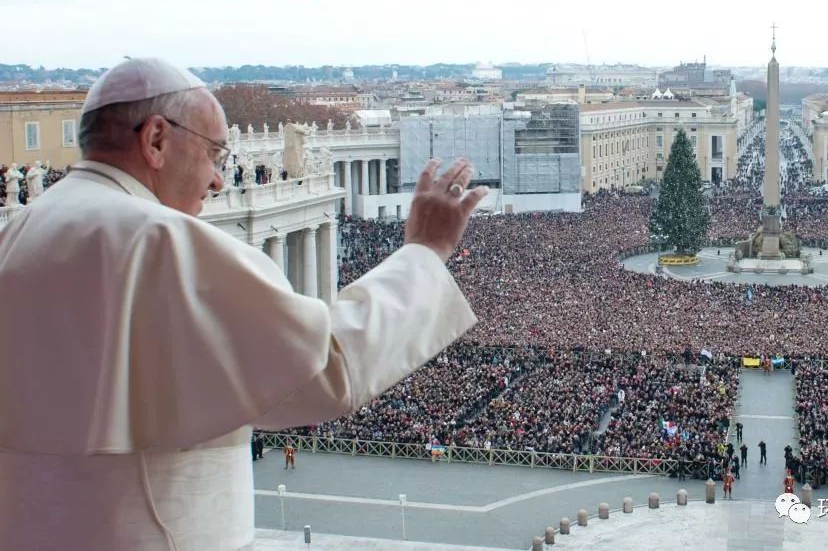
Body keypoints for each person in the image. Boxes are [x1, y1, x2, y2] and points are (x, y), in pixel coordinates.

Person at [0, 58, 489, 550]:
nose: (217, 181)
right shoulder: (162, 242)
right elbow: (325, 368)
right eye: (214, 153)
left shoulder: (16, 234)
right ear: (155, 141)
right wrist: (425, 252)